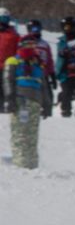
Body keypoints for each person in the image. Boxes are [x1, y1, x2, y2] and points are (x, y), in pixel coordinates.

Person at [5, 38, 45, 169]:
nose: (31, 47)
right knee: (20, 132)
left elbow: (43, 84)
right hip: (20, 99)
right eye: (28, 45)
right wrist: (10, 99)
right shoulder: (13, 61)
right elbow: (7, 81)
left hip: (35, 101)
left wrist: (47, 103)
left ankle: (32, 164)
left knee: (32, 134)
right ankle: (20, 163)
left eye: (33, 45)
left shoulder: (37, 63)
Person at [23, 20, 56, 118]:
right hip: (29, 75)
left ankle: (47, 115)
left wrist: (52, 74)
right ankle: (25, 117)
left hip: (43, 75)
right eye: (33, 29)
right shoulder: (25, 42)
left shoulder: (44, 44)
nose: (36, 32)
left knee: (47, 96)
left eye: (38, 29)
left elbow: (49, 59)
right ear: (29, 30)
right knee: (28, 96)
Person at [56, 17, 75, 118]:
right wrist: (62, 53)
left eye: (69, 27)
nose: (67, 29)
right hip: (66, 73)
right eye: (65, 27)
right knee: (66, 93)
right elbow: (59, 57)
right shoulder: (62, 41)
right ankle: (65, 112)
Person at [0, 8, 19, 112]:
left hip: (8, 67)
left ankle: (9, 109)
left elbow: (18, 50)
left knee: (8, 89)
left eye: (5, 19)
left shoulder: (13, 34)